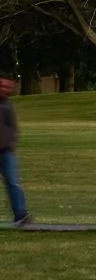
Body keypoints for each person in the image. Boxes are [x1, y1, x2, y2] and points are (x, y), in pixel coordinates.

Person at [0, 78, 30, 228]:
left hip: (5, 151)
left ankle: (20, 214)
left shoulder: (8, 105)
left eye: (8, 87)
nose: (6, 89)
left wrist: (12, 144)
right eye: (3, 87)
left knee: (12, 182)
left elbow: (13, 126)